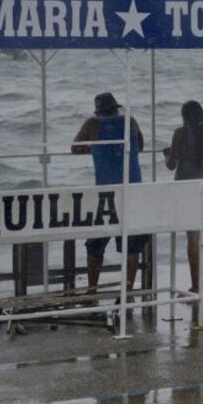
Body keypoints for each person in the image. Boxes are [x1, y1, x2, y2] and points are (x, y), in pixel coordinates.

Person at [71, 92, 145, 293]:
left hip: (105, 193)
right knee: (132, 246)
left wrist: (95, 149)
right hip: (133, 189)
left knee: (95, 244)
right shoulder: (131, 121)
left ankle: (92, 290)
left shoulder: (92, 124)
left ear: (98, 111)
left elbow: (75, 148)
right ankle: (128, 292)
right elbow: (141, 145)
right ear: (115, 108)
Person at [163, 100, 203, 295]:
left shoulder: (180, 133)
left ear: (184, 116)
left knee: (192, 237)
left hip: (186, 188)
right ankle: (202, 281)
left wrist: (167, 155)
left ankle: (195, 284)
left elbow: (172, 164)